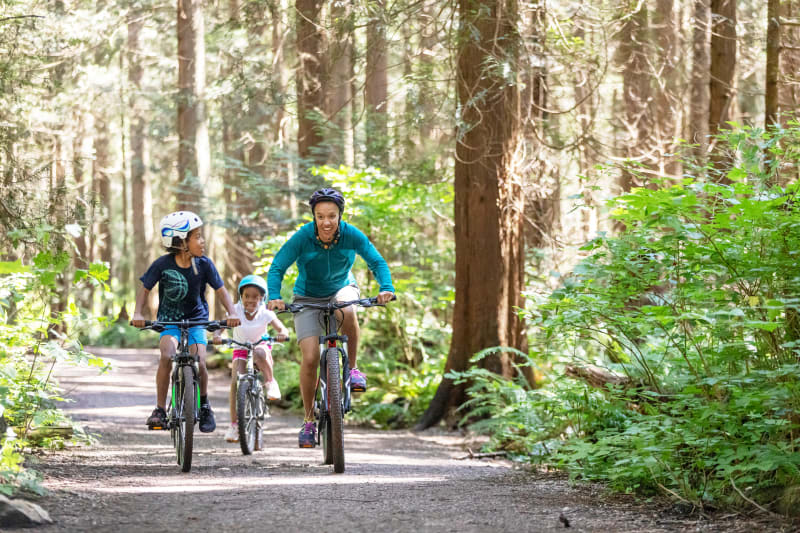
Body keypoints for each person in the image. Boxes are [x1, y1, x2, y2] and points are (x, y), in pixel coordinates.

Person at [267, 188, 395, 448]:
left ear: (340, 216)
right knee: (311, 357)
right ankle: (308, 421)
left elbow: (376, 261)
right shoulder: (303, 236)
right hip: (307, 297)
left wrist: (386, 287)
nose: (326, 222)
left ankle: (354, 369)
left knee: (347, 308)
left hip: (341, 289)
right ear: (313, 216)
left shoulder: (350, 234)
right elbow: (278, 265)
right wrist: (274, 295)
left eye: (332, 216)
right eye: (320, 216)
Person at [132, 211, 241, 433]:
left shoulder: (204, 264)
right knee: (166, 355)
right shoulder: (162, 264)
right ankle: (160, 409)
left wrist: (231, 313)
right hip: (169, 321)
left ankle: (204, 405)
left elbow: (221, 291)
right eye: (197, 237)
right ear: (181, 241)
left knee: (200, 361)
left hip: (196, 320)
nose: (202, 241)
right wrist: (138, 313)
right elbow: (145, 290)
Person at [212, 274, 290, 443]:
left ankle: (270, 382)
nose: (250, 300)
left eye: (255, 297)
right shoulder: (235, 310)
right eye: (247, 296)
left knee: (261, 353)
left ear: (262, 298)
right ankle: (234, 426)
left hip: (260, 347)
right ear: (241, 296)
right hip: (240, 348)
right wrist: (217, 335)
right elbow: (220, 326)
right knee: (236, 380)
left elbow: (281, 328)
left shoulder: (265, 313)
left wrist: (282, 334)